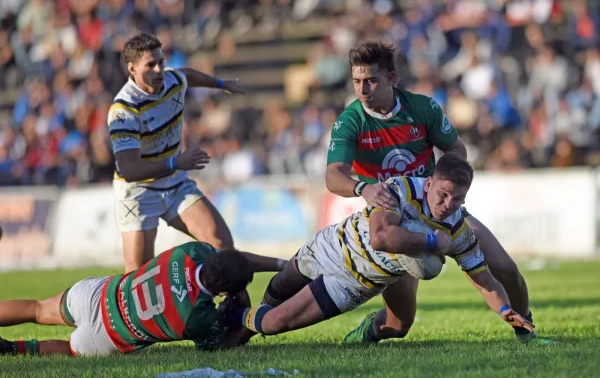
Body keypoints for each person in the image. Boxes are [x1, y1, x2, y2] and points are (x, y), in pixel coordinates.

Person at [324, 39, 549, 344]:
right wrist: (363, 188)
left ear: (392, 79)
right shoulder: (351, 121)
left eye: (371, 81)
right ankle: (370, 330)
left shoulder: (422, 108)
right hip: (392, 222)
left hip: (439, 210)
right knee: (398, 325)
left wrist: (443, 186)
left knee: (505, 269)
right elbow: (333, 176)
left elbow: (456, 148)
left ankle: (526, 333)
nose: (362, 90)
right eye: (357, 81)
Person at [229, 155, 533, 342]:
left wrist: (505, 309)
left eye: (457, 200)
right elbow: (381, 238)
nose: (447, 205)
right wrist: (431, 242)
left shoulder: (459, 232)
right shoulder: (398, 190)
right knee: (281, 284)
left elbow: (486, 282)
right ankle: (229, 325)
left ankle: (234, 318)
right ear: (429, 184)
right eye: (443, 194)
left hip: (355, 284)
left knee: (272, 323)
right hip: (334, 245)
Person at [108, 32, 283, 273]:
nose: (159, 70)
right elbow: (129, 170)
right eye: (151, 65)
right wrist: (175, 162)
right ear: (132, 68)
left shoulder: (171, 81)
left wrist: (222, 85)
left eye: (161, 62)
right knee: (138, 276)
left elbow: (187, 75)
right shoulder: (123, 110)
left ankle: (238, 309)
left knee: (222, 247)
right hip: (138, 193)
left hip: (174, 183)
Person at [0, 241, 282, 356]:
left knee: (37, 309)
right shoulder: (198, 317)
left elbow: (235, 259)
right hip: (108, 336)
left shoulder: (192, 251)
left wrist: (282, 264)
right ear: (224, 292)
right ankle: (12, 350)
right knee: (69, 350)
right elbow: (221, 346)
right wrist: (253, 322)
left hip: (99, 295)